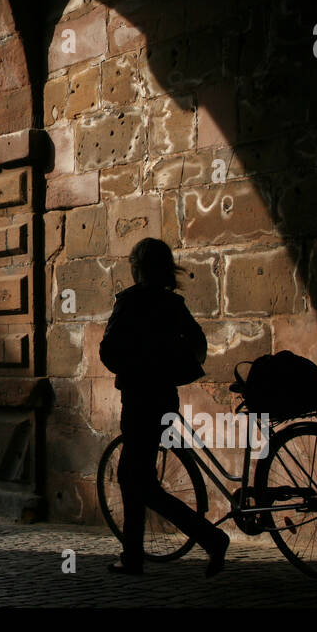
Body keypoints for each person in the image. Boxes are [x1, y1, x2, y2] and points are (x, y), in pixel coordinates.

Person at [100, 237, 229, 577]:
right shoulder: (173, 304)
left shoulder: (129, 302)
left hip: (139, 397)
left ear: (137, 267)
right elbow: (197, 346)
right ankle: (136, 555)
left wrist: (132, 366)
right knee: (138, 478)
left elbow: (108, 351)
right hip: (164, 397)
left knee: (135, 478)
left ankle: (208, 539)